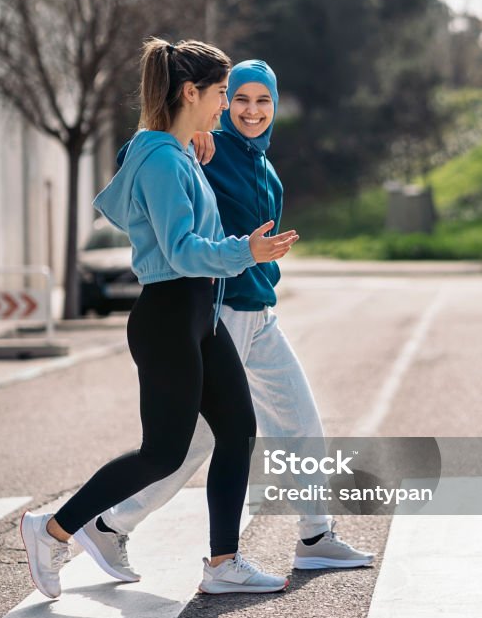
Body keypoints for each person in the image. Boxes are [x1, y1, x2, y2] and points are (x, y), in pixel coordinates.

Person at [20, 39, 299, 600]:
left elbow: (193, 229)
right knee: (163, 453)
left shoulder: (174, 152)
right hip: (169, 315)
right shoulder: (162, 160)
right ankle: (51, 531)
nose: (225, 107)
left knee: (238, 430)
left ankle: (224, 562)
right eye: (222, 94)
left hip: (200, 314)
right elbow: (181, 251)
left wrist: (244, 247)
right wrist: (247, 252)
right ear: (190, 93)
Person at [78, 59, 374, 582]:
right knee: (198, 443)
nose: (251, 111)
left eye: (263, 102)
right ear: (224, 101)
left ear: (275, 106)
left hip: (261, 313)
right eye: (239, 99)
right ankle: (108, 524)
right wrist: (190, 138)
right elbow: (137, 155)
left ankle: (315, 535)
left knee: (301, 420)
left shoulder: (268, 170)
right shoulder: (204, 148)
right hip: (222, 312)